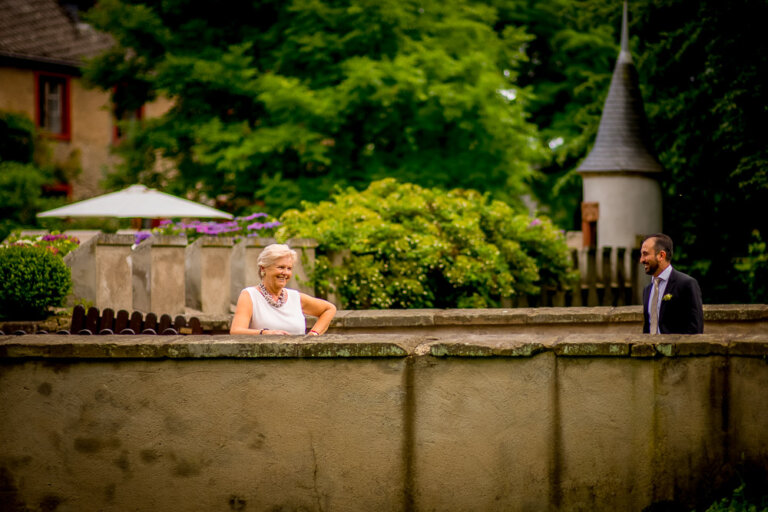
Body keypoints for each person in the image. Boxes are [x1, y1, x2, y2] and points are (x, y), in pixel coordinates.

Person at [230, 244, 336, 335]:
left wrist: (313, 335)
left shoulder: (295, 297)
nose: (285, 273)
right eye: (281, 267)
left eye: (289, 268)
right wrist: (264, 333)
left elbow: (329, 309)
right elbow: (236, 331)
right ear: (263, 268)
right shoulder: (249, 295)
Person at [639, 233, 703, 334]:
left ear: (661, 255)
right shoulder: (647, 290)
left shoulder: (686, 284)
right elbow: (647, 328)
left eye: (645, 254)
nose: (641, 260)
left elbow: (695, 329)